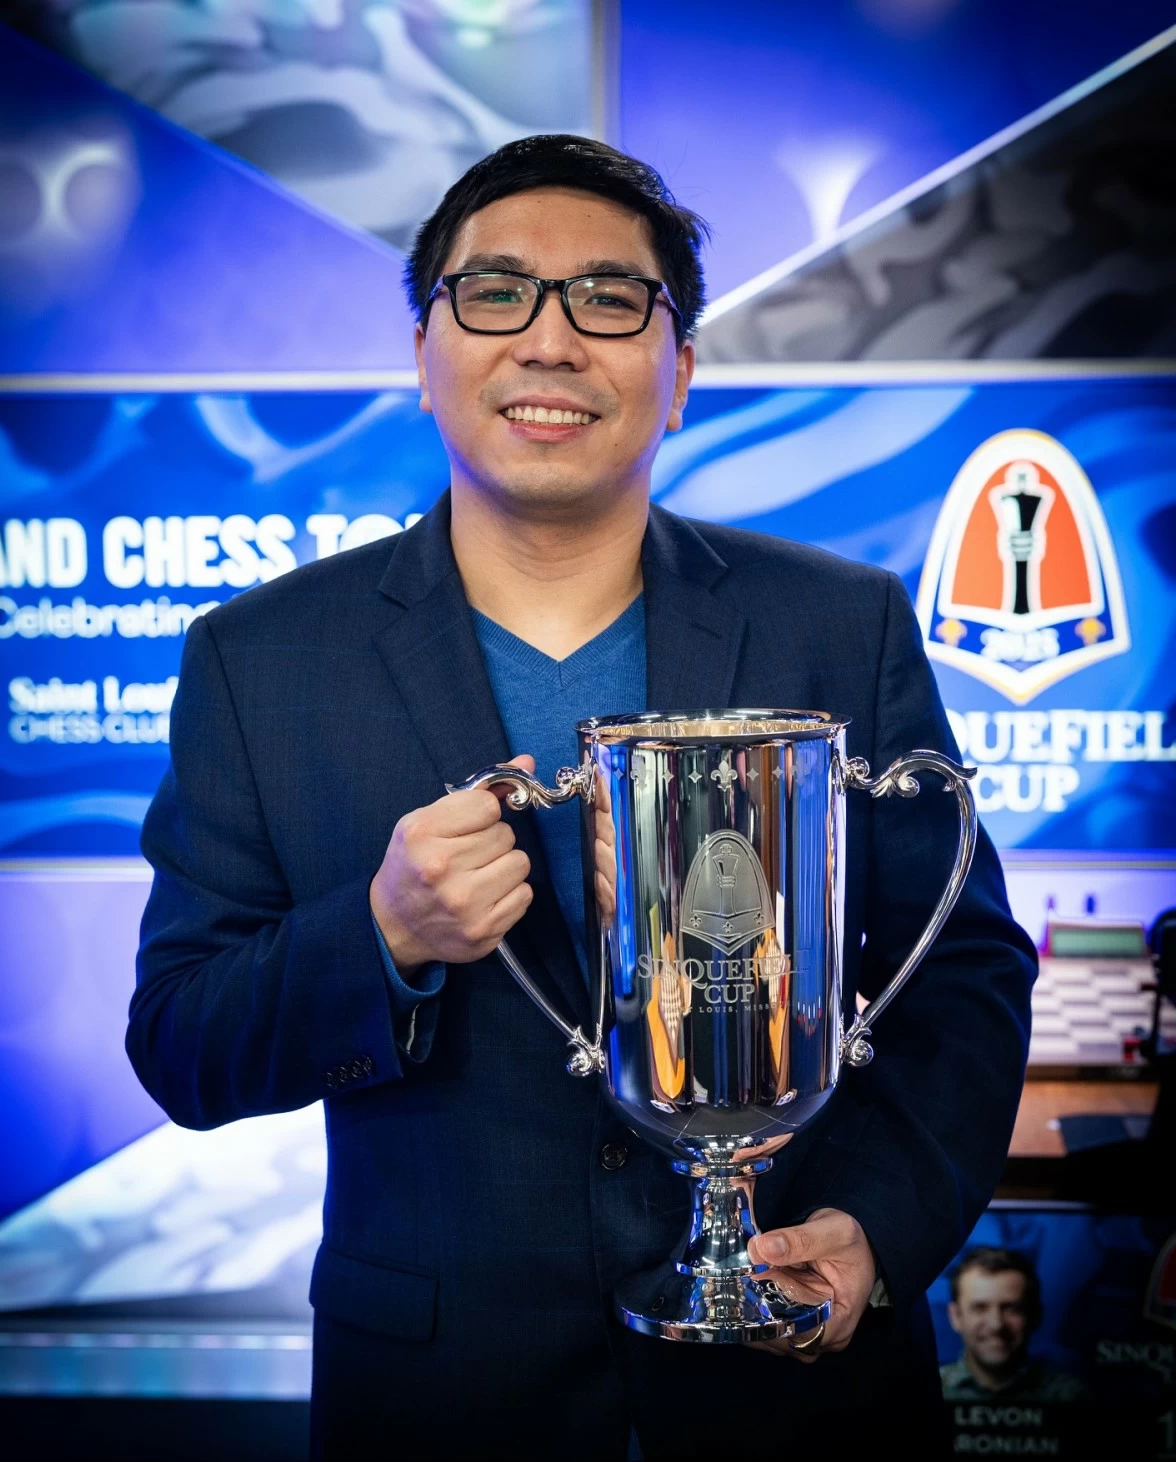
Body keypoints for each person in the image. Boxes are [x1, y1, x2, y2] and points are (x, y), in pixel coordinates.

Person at [130, 134, 1037, 1459]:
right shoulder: (260, 660)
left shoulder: (838, 624)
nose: (550, 341)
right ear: (424, 357)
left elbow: (962, 978)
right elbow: (184, 1040)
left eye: (611, 300)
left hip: (802, 1405)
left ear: (678, 376)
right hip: (444, 1403)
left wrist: (876, 1227)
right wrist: (378, 936)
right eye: (493, 293)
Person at [942, 1248, 1086, 1403]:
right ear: (955, 1316)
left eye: (1011, 1308)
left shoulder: (1071, 1397)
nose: (996, 1325)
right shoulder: (923, 1393)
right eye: (980, 1308)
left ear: (1035, 1315)